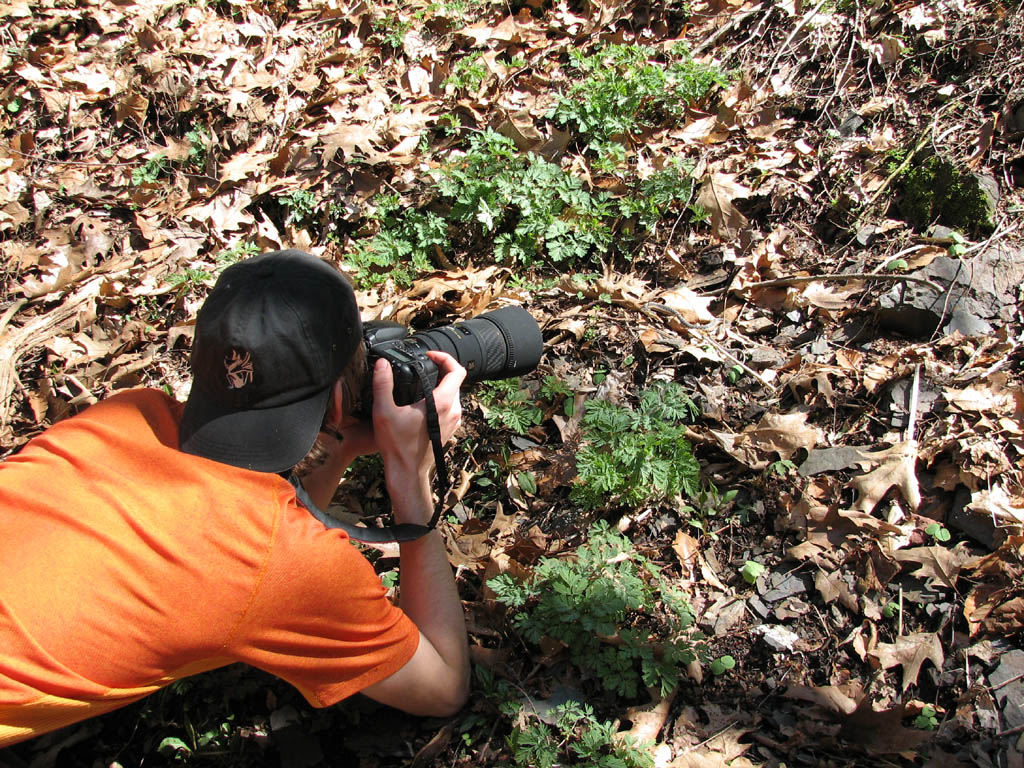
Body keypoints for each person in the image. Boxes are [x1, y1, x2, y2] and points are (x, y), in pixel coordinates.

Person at [0, 250, 470, 747]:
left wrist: (346, 442)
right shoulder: (283, 568)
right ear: (338, 400)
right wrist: (409, 478)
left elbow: (251, 516)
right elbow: (442, 687)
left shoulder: (126, 412)